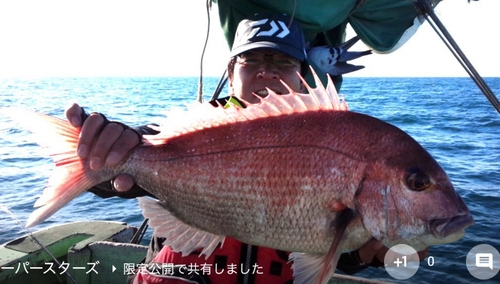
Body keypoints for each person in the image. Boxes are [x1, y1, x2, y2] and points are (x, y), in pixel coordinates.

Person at [65, 13, 427, 284]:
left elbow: (329, 246)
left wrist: (366, 254)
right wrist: (101, 154)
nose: (266, 71)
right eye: (252, 59)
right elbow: (129, 159)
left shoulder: (332, 134)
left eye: (282, 61)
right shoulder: (191, 129)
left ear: (302, 73)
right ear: (232, 69)